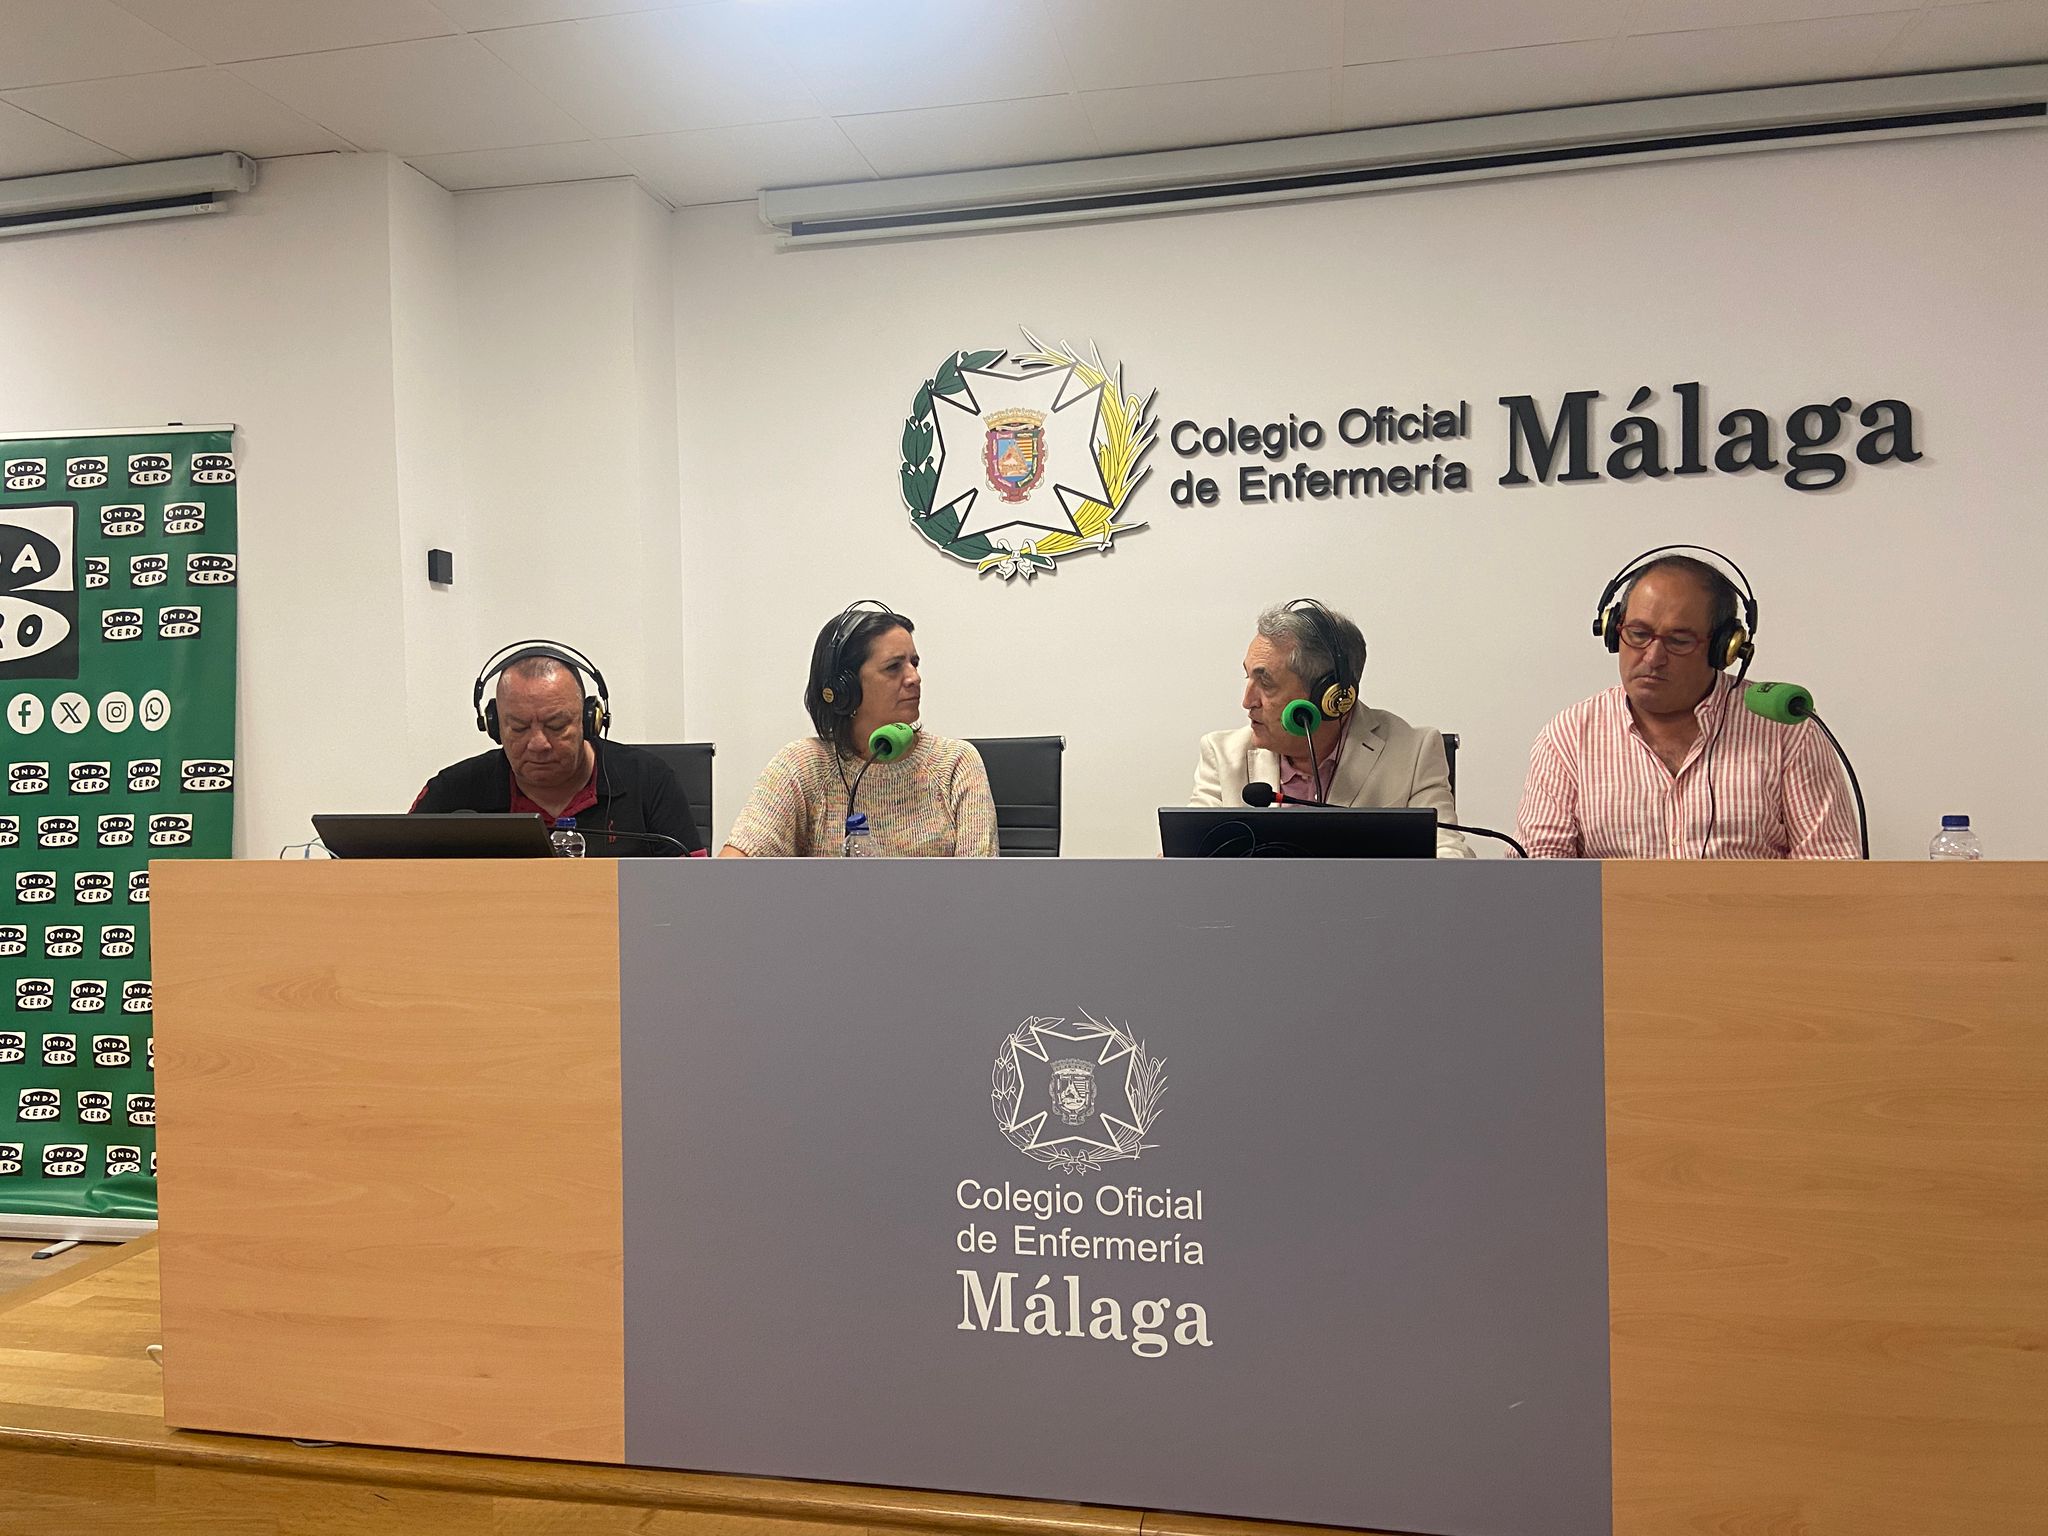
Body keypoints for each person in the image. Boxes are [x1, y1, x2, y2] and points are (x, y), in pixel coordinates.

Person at [1516, 547, 1856, 859]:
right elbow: (1539, 877)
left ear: (1725, 648)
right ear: (1611, 630)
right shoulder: (1569, 736)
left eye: (1679, 640)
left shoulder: (1786, 729)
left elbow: (1831, 867)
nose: (1653, 657)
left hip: (1755, 911)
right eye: (1638, 633)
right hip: (1617, 912)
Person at [1189, 599, 1472, 857]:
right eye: (1248, 677)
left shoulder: (1414, 753)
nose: (1247, 701)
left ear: (1329, 696)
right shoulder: (1223, 756)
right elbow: (1186, 861)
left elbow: (1449, 859)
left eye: (1266, 683)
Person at [722, 602, 997, 858]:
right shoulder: (804, 766)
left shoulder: (954, 763)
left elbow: (981, 884)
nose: (914, 677)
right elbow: (730, 872)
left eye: (914, 663)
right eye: (893, 667)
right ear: (845, 689)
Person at [412, 641, 703, 855]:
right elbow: (393, 877)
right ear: (494, 726)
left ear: (590, 721)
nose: (538, 743)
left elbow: (694, 891)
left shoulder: (649, 780)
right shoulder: (453, 793)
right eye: (519, 728)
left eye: (556, 725)